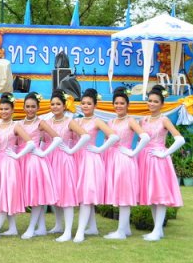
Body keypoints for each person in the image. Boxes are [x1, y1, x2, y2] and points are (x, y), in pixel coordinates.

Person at [0, 93, 35, 242]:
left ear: (12, 110)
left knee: (4, 194)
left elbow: (30, 143)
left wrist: (18, 156)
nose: (3, 112)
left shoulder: (16, 126)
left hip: (9, 164)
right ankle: (12, 228)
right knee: (2, 193)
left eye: (7, 109)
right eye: (1, 109)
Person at [42, 90, 90, 242]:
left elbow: (85, 136)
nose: (55, 107)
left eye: (58, 104)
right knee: (55, 193)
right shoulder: (47, 122)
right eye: (52, 104)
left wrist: (71, 150)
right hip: (50, 159)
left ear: (64, 106)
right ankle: (58, 225)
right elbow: (43, 140)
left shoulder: (69, 121)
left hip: (64, 160)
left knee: (66, 194)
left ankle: (68, 231)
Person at [103, 86, 151, 240]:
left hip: (124, 161)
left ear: (127, 105)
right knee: (118, 193)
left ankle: (121, 231)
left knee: (123, 195)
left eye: (122, 103)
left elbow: (145, 137)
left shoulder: (131, 120)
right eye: (116, 103)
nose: (118, 106)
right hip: (112, 159)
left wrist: (133, 152)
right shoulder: (110, 121)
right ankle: (126, 228)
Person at [138, 84, 184, 241]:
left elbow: (180, 139)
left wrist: (165, 152)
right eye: (149, 101)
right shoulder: (143, 120)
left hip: (158, 161)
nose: (151, 104)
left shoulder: (164, 120)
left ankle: (157, 230)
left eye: (155, 101)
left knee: (160, 194)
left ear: (162, 104)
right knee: (150, 194)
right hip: (145, 159)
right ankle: (157, 229)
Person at [72, 88, 118, 243]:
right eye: (83, 103)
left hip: (90, 159)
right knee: (83, 195)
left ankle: (80, 231)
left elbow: (113, 136)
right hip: (77, 158)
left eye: (89, 104)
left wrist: (99, 149)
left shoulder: (97, 121)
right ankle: (92, 227)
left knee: (86, 194)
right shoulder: (77, 121)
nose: (85, 106)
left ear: (95, 105)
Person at [17, 92, 61, 240]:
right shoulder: (19, 124)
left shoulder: (41, 123)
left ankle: (31, 228)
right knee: (32, 194)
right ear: (23, 107)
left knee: (36, 195)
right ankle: (41, 227)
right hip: (22, 160)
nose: (30, 109)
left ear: (37, 108)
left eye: (33, 107)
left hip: (34, 162)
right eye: (27, 106)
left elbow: (57, 138)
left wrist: (43, 152)